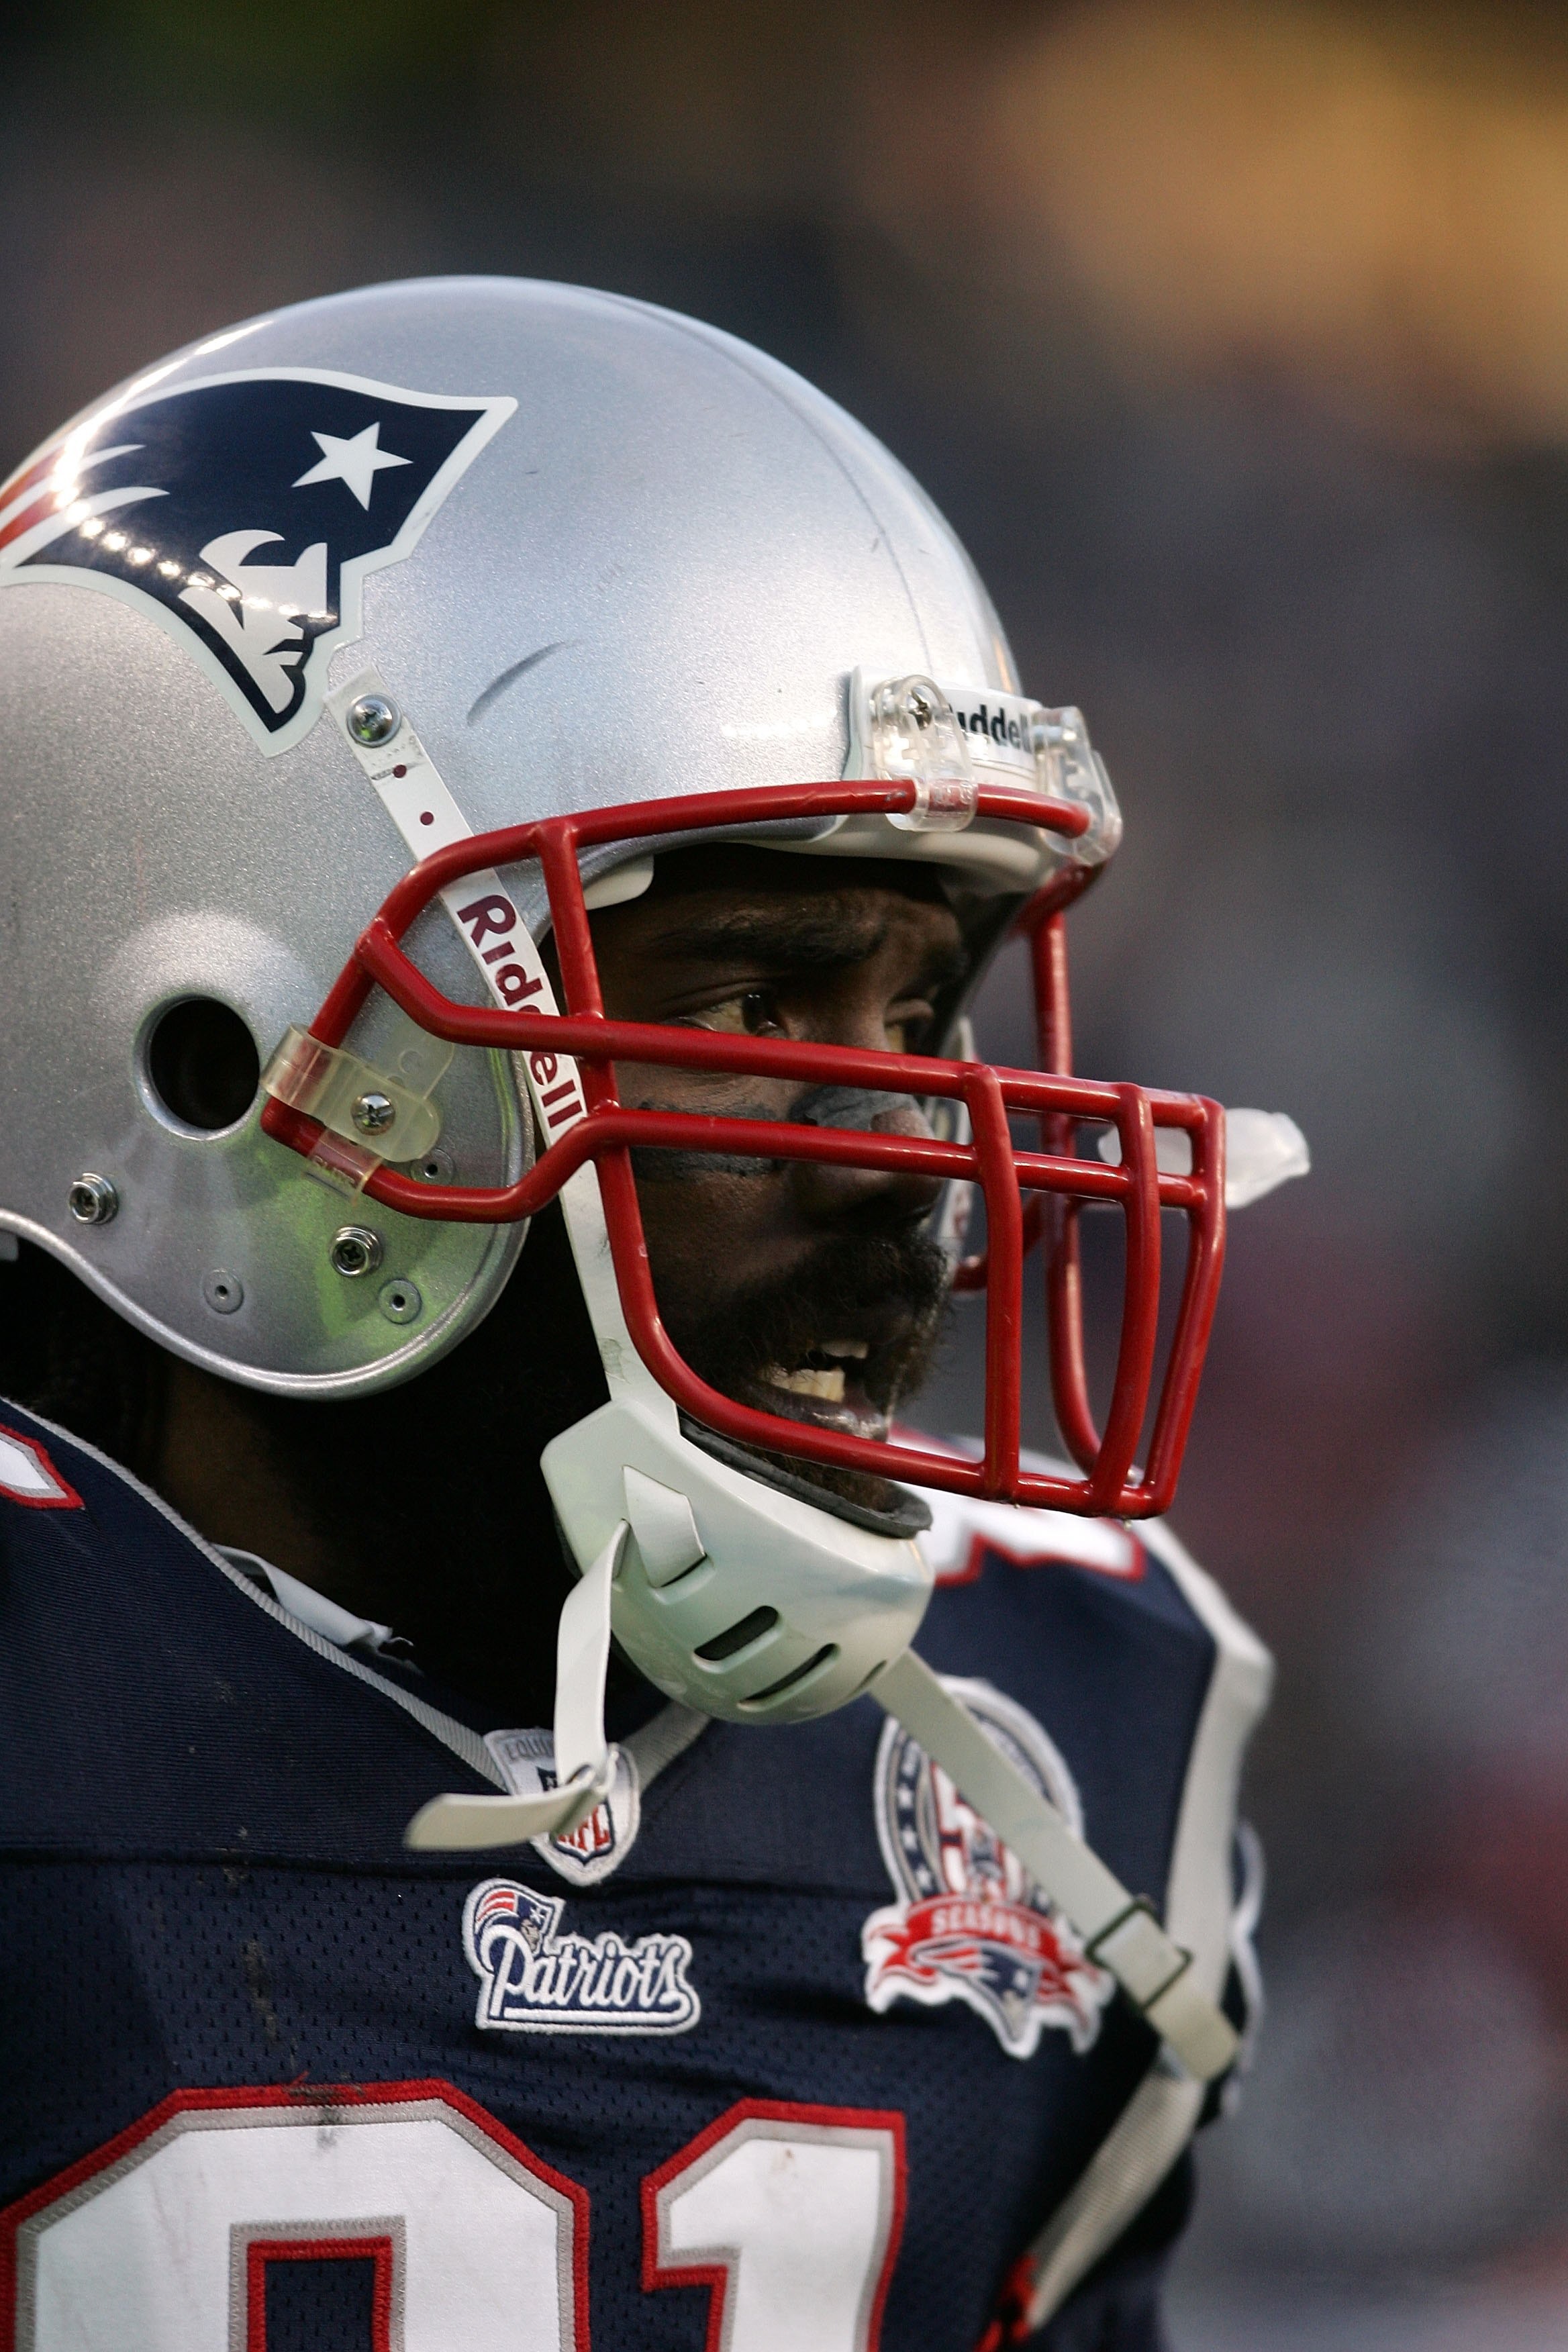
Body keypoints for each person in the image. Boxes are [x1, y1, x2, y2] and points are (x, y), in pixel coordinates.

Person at [0, 277, 1279, 2350]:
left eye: (925, 1012)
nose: (913, 1163)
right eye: (754, 1007)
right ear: (217, 1052)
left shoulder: (1087, 1737)